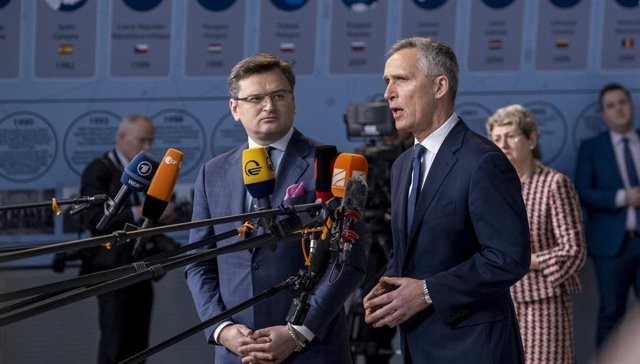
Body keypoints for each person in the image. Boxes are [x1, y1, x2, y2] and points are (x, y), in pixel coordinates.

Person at [185, 54, 366, 364]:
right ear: (234, 108)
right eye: (256, 98)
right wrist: (222, 329)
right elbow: (198, 264)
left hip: (311, 351)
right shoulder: (211, 173)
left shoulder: (333, 166)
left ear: (293, 102)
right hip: (237, 353)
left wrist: (298, 332)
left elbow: (349, 263)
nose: (269, 106)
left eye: (278, 96)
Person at [362, 36, 531, 363]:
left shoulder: (483, 161)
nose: (388, 93)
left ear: (440, 87)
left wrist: (427, 292)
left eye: (401, 79)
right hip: (420, 347)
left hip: (473, 349)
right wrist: (389, 289)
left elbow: (508, 258)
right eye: (386, 81)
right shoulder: (401, 166)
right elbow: (414, 251)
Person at [487, 104, 586, 363]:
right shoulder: (491, 188)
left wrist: (526, 260)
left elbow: (573, 251)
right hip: (498, 301)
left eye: (511, 136)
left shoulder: (555, 184)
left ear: (531, 139)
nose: (503, 144)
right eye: (496, 139)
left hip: (544, 303)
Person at [79, 114, 176, 364]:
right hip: (112, 271)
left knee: (139, 345)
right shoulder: (99, 169)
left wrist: (161, 215)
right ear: (121, 138)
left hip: (141, 267)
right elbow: (92, 219)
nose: (146, 148)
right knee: (115, 342)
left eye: (150, 141)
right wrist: (139, 211)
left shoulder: (146, 171)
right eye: (141, 141)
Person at [575, 83, 640, 349]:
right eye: (611, 105)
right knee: (611, 313)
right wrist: (623, 197)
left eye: (623, 102)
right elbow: (581, 192)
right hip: (612, 246)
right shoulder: (592, 148)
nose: (619, 109)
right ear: (603, 114)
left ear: (632, 105)